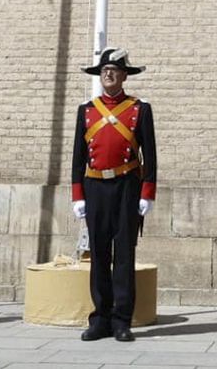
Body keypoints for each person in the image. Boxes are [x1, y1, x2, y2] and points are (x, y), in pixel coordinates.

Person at [71, 47, 156, 343]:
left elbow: (151, 156)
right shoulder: (86, 111)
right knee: (99, 254)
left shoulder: (140, 109)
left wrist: (148, 192)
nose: (108, 74)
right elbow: (77, 158)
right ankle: (100, 318)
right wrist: (77, 196)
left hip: (127, 187)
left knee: (123, 255)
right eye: (104, 70)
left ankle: (122, 319)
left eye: (114, 70)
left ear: (123, 76)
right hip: (95, 187)